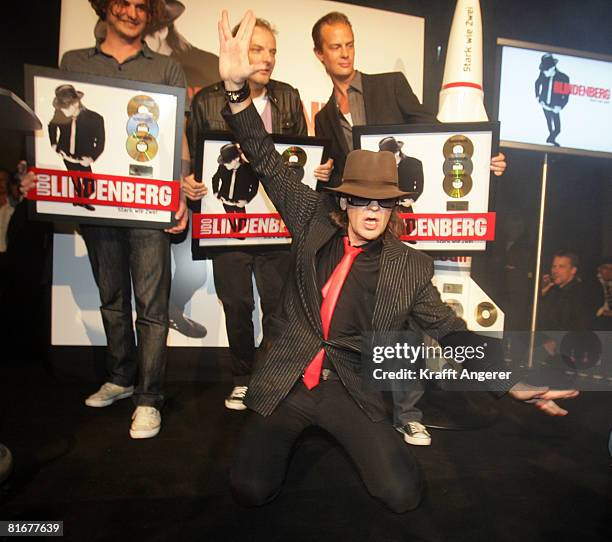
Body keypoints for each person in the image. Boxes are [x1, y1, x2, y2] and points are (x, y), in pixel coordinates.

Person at [218, 10, 578, 512]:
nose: (372, 212)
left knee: (403, 495)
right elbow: (263, 156)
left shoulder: (410, 267)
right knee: (249, 490)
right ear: (343, 202)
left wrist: (510, 381)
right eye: (362, 200)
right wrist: (236, 92)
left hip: (348, 387)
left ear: (395, 207)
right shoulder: (310, 218)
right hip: (288, 379)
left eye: (383, 202)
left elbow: (452, 332)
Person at [311, 11, 507, 445]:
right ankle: (355, 403)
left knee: (410, 322)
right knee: (358, 320)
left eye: (349, 43)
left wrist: (480, 155)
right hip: (356, 232)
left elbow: (434, 135)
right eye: (335, 46)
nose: (345, 53)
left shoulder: (389, 85)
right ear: (319, 54)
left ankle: (408, 412)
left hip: (399, 224)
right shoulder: (324, 116)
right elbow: (337, 177)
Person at [22, 0, 188, 439]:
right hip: (95, 205)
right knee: (112, 300)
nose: (131, 12)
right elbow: (46, 130)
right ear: (105, 7)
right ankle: (121, 377)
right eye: (122, 2)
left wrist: (180, 196)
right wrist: (38, 176)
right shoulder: (74, 63)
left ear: (149, 14)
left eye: (140, 6)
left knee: (152, 309)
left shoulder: (167, 69)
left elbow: (178, 141)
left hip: (149, 208)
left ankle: (149, 398)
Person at [184, 17, 320, 411]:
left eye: (272, 51)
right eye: (257, 49)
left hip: (278, 223)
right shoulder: (207, 99)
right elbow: (198, 159)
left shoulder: (289, 97)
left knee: (279, 305)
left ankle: (270, 375)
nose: (267, 59)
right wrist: (189, 185)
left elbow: (301, 156)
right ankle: (243, 377)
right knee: (237, 303)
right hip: (228, 223)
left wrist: (317, 169)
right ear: (239, 52)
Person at [48, 84, 105, 211]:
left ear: (75, 104)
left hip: (83, 158)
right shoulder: (60, 112)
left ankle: (81, 199)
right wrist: (54, 144)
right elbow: (51, 126)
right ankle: (81, 200)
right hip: (66, 154)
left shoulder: (95, 119)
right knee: (75, 180)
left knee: (90, 186)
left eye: (65, 109)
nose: (62, 112)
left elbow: (101, 142)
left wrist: (91, 158)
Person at [539, 251, 588, 331]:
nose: (555, 271)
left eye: (561, 267)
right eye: (554, 266)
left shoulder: (580, 294)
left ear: (573, 270)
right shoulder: (552, 290)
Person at [534, 53, 569, 147]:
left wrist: (560, 106)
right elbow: (537, 83)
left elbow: (566, 96)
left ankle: (550, 139)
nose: (544, 73)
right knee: (549, 123)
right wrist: (538, 96)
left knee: (557, 128)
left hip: (554, 107)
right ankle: (550, 140)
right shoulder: (543, 74)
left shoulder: (563, 78)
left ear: (553, 67)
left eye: (546, 70)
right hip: (544, 104)